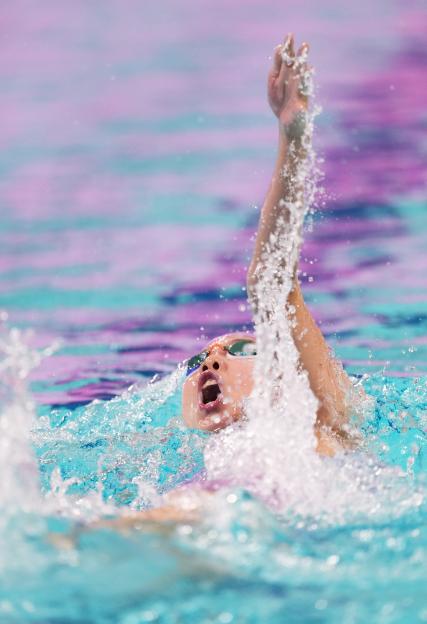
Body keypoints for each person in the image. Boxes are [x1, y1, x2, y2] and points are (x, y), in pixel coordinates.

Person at [87, 34, 357, 533]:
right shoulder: (170, 473)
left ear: (284, 372)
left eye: (240, 349)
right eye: (198, 361)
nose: (210, 360)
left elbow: (272, 282)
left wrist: (293, 135)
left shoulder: (315, 428)